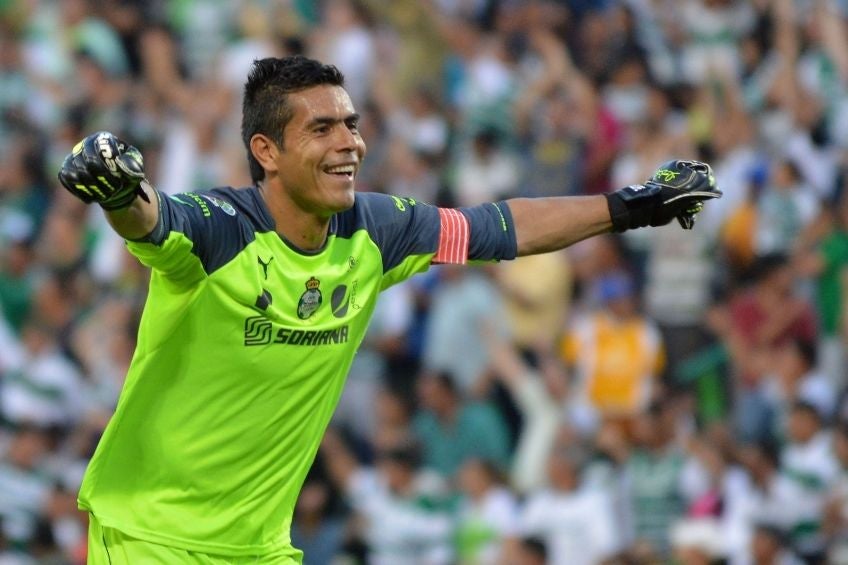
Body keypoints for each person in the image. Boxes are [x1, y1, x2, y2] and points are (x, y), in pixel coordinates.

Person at [56, 55, 721, 563]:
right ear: (267, 152)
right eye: (322, 128)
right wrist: (117, 190)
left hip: (259, 546)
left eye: (351, 124)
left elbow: (501, 227)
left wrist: (630, 206)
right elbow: (150, 220)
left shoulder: (375, 230)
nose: (350, 142)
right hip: (147, 535)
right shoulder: (219, 228)